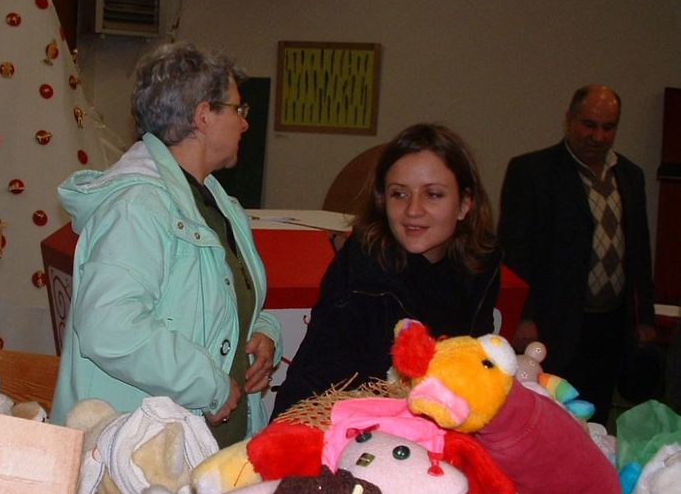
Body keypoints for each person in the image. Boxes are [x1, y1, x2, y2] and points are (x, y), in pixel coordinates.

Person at [50, 42, 282, 447]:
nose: (245, 124)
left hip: (200, 448)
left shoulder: (217, 204)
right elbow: (109, 326)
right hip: (135, 460)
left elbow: (220, 301)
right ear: (203, 116)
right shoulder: (138, 207)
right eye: (238, 110)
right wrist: (206, 382)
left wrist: (262, 332)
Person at [272, 123, 501, 418]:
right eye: (399, 194)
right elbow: (319, 382)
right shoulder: (362, 267)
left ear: (464, 204)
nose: (413, 210)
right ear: (383, 201)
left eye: (433, 194)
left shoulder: (481, 263)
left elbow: (476, 373)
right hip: (354, 433)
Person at [498, 85, 655, 425]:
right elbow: (515, 249)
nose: (598, 136)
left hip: (612, 321)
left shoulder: (629, 176)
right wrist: (523, 315)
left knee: (596, 410)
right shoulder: (532, 172)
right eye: (589, 124)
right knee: (551, 411)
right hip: (554, 320)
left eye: (608, 127)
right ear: (568, 120)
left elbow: (640, 249)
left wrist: (646, 318)